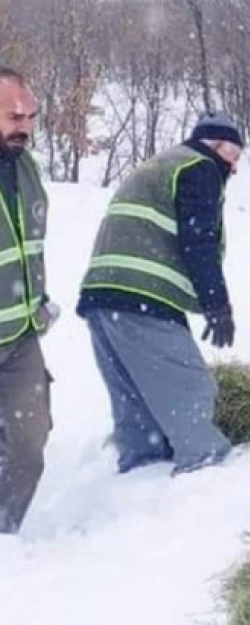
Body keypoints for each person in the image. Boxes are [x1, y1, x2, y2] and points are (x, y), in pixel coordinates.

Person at [77, 112, 243, 475]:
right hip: (142, 295)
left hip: (103, 296)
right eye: (234, 156)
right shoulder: (199, 167)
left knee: (135, 399)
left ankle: (141, 471)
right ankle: (205, 466)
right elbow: (200, 240)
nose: (234, 168)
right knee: (191, 387)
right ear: (217, 145)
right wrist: (218, 304)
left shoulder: (163, 164)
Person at [0, 67, 59, 534]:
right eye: (13, 115)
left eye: (31, 116)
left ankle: (4, 535)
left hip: (19, 336)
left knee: (28, 445)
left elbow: (29, 244)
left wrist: (37, 296)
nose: (25, 125)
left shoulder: (26, 167)